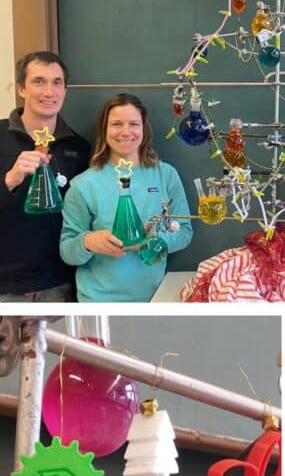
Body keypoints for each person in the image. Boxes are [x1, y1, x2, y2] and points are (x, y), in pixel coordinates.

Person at [60, 93, 193, 302]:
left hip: (156, 298)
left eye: (134, 124)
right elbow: (67, 251)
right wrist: (88, 242)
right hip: (99, 302)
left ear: (144, 129)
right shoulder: (83, 185)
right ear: (104, 130)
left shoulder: (166, 175)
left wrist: (152, 243)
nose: (125, 132)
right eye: (116, 124)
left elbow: (184, 232)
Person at [0, 51, 91, 301]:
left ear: (65, 90)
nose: (49, 92)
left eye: (57, 82)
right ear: (21, 88)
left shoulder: (79, 148)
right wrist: (10, 180)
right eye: (39, 81)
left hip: (58, 286)